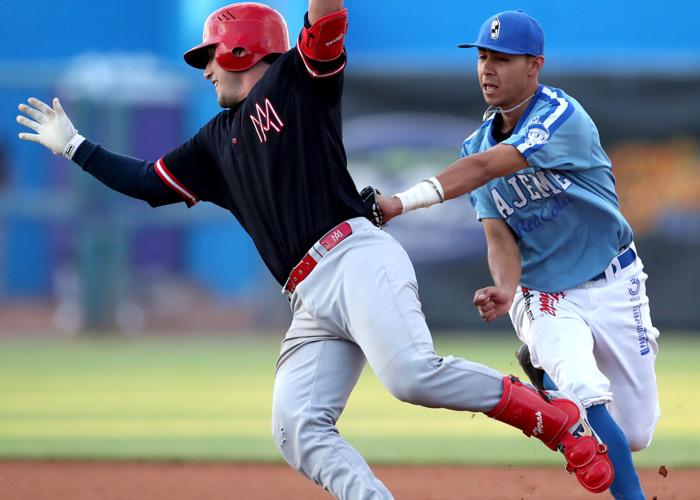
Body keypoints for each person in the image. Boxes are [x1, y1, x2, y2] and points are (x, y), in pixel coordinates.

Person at [17, 3, 613, 498]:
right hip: (308, 295)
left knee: (409, 376)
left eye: (208, 57)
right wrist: (77, 147)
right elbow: (149, 182)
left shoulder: (297, 84)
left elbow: (326, 21)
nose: (205, 72)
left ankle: (552, 417)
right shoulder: (213, 142)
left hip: (355, 257)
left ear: (240, 51)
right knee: (296, 426)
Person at [378, 10, 659, 500]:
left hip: (615, 278)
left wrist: (402, 201)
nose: (487, 68)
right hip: (545, 294)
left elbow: (488, 166)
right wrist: (507, 288)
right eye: (483, 57)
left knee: (634, 434)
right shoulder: (475, 142)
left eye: (502, 59)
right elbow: (499, 235)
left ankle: (543, 377)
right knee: (590, 396)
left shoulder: (560, 115)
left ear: (535, 65)